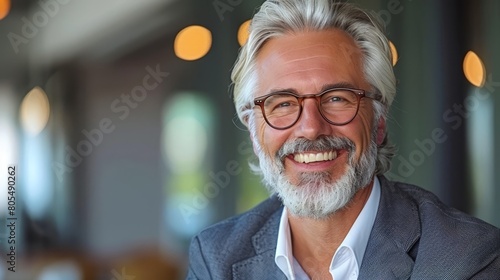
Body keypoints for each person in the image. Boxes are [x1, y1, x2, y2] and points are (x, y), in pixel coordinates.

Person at [187, 0, 500, 279]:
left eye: (337, 98)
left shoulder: (467, 257)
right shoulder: (217, 258)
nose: (310, 128)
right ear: (254, 132)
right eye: (282, 103)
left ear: (378, 120)